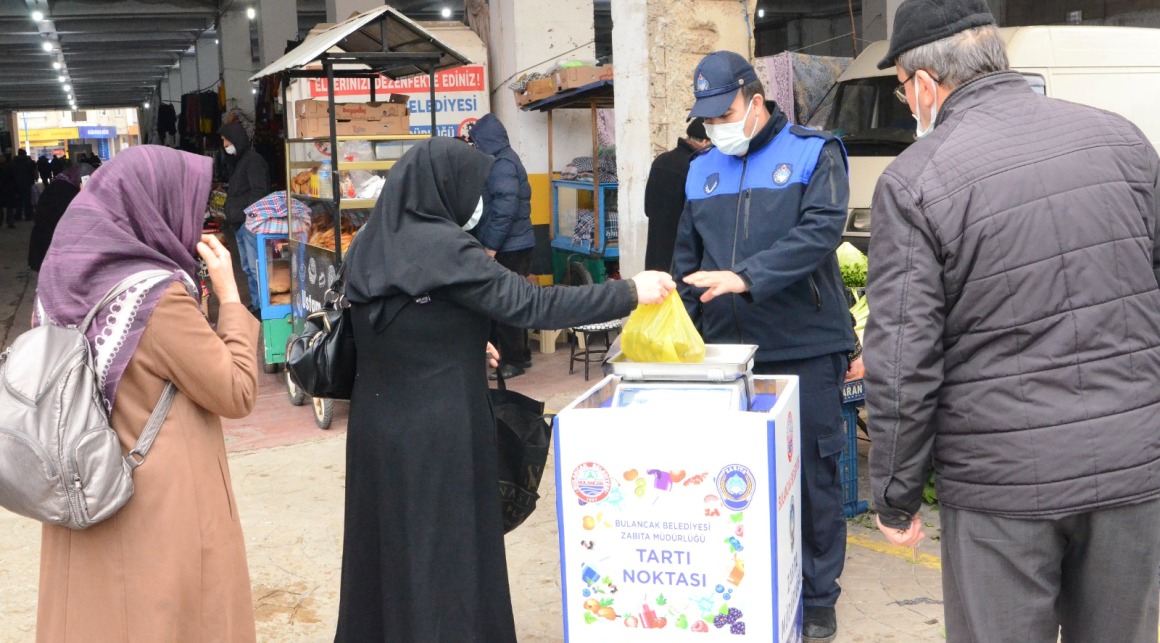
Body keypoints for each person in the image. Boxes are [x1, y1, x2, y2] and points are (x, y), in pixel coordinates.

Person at [864, 1, 1160, 641]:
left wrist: (895, 493)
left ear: (922, 84)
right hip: (1133, 471)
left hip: (1002, 486)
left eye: (900, 92)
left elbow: (899, 361)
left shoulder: (915, 181)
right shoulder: (1124, 141)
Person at [336, 137, 674, 642]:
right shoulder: (443, 245)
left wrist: (462, 342)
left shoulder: (370, 241)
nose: (477, 205)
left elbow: (395, 322)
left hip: (378, 429)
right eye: (471, 192)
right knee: (444, 551)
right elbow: (532, 306)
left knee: (389, 547)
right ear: (442, 189)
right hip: (439, 429)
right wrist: (627, 292)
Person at [34, 145, 259, 642]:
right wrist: (229, 296)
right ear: (150, 208)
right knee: (169, 619)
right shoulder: (157, 297)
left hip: (83, 490)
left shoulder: (59, 282)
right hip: (159, 504)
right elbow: (237, 390)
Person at [672, 50, 859, 643]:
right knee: (737, 480)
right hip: (728, 354)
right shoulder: (701, 171)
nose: (714, 128)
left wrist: (747, 276)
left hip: (804, 344)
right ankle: (751, 582)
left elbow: (820, 232)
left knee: (811, 478)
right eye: (705, 119)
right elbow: (686, 259)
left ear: (755, 101)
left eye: (723, 113)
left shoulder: (813, 152)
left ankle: (819, 595)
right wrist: (678, 324)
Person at [467, 113, 537, 380]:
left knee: (505, 303)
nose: (475, 147)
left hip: (510, 247)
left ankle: (513, 360)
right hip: (516, 244)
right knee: (514, 301)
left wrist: (491, 248)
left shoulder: (502, 163)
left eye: (476, 142)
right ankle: (521, 354)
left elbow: (504, 210)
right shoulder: (502, 160)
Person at [644, 117, 710, 271]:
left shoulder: (660, 161)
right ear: (705, 142)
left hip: (656, 252)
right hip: (682, 257)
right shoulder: (696, 166)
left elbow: (647, 208)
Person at [218, 121, 270, 314]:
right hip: (240, 225)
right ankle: (257, 304)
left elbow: (259, 191)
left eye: (226, 141)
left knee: (256, 268)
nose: (224, 146)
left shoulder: (253, 161)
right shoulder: (240, 161)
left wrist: (248, 216)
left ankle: (265, 307)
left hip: (249, 224)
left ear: (236, 140)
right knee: (248, 268)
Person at [28, 159, 95, 271]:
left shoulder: (62, 184)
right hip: (49, 243)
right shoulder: (64, 190)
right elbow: (69, 218)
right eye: (85, 179)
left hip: (47, 241)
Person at [10, 148, 37, 223]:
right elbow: (34, 168)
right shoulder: (28, 162)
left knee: (19, 200)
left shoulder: (13, 162)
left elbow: (10, 173)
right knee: (27, 200)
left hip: (16, 184)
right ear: (25, 153)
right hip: (27, 183)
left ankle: (18, 215)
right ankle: (28, 215)